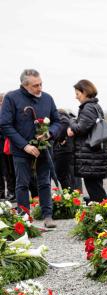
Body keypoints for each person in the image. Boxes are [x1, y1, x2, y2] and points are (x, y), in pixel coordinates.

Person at [0, 69, 62, 228]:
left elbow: (57, 122)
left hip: (44, 150)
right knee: (22, 184)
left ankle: (47, 216)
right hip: (22, 151)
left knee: (45, 183)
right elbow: (5, 124)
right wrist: (25, 145)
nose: (40, 88)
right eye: (35, 86)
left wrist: (49, 134)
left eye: (41, 84)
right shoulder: (11, 98)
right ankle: (24, 218)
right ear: (24, 85)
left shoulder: (47, 99)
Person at [67, 79, 107, 203]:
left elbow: (81, 128)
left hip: (90, 157)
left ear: (85, 92)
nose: (76, 97)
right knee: (96, 187)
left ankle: (106, 215)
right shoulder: (95, 106)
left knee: (95, 191)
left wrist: (71, 121)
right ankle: (104, 214)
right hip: (93, 156)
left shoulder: (88, 107)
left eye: (77, 93)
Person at [53, 108, 76, 190]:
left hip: (63, 150)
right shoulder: (67, 119)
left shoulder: (62, 119)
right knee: (65, 175)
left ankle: (68, 194)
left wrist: (57, 138)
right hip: (66, 149)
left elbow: (60, 133)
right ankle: (69, 194)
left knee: (62, 175)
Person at [0, 92, 16, 201]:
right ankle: (6, 192)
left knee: (9, 169)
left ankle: (12, 192)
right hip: (4, 144)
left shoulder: (8, 111)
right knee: (5, 170)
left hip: (7, 144)